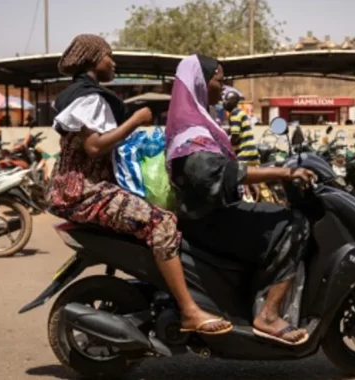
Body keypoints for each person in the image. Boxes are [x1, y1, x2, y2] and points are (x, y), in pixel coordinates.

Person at [45, 35, 232, 336]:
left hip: (78, 187)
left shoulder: (80, 94)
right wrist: (136, 120)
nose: (113, 62)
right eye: (108, 56)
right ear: (94, 59)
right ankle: (189, 311)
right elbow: (94, 147)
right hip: (85, 191)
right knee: (162, 223)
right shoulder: (89, 97)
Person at [165, 54, 315, 345]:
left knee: (272, 213)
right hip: (208, 221)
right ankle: (269, 315)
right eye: (219, 79)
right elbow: (220, 173)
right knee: (294, 223)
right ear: (200, 82)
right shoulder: (190, 130)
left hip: (210, 214)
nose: (223, 87)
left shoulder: (199, 119)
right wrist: (283, 172)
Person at [223, 91, 263, 201]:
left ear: (234, 102)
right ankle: (257, 199)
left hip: (244, 153)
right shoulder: (240, 113)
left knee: (239, 177)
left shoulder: (234, 114)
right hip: (252, 153)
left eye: (227, 100)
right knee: (251, 180)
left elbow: (235, 136)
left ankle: (247, 201)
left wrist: (227, 146)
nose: (224, 102)